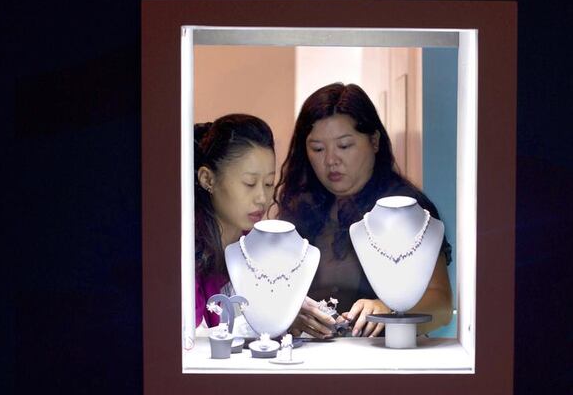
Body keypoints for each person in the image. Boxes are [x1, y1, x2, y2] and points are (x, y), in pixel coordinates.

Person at [274, 82, 453, 338]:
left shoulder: (406, 207)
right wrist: (288, 312)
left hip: (385, 362)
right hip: (310, 361)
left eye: (344, 146)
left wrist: (391, 310)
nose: (331, 160)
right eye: (317, 149)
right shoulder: (300, 206)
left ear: (374, 141)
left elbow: (442, 305)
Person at [194, 114, 275, 329]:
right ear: (207, 179)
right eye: (249, 183)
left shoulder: (256, 247)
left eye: (269, 183)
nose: (262, 198)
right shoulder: (184, 250)